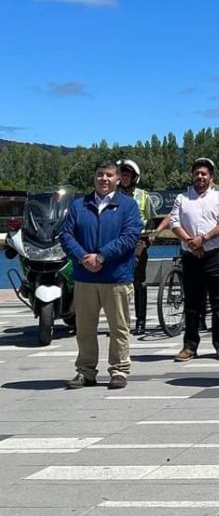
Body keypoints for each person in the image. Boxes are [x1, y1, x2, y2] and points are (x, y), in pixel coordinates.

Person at [61, 161, 143, 389]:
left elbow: (130, 237)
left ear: (118, 179)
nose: (103, 179)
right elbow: (66, 235)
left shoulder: (128, 206)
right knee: (85, 328)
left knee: (119, 328)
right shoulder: (79, 205)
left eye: (109, 175)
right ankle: (86, 371)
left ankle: (119, 371)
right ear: (94, 178)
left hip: (116, 277)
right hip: (85, 277)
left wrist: (102, 256)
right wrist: (82, 257)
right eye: (99, 175)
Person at [170, 157, 219, 362]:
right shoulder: (182, 198)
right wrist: (190, 242)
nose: (200, 177)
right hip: (190, 255)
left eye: (204, 174)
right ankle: (189, 346)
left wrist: (203, 239)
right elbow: (174, 222)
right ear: (192, 176)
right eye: (197, 173)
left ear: (211, 177)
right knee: (192, 303)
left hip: (215, 255)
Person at [116, 159, 156, 336]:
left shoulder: (143, 196)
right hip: (116, 243)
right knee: (117, 283)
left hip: (138, 241)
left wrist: (150, 237)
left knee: (138, 282)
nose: (125, 177)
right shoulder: (111, 195)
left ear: (134, 177)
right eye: (122, 174)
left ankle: (141, 322)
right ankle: (119, 323)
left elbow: (152, 219)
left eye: (127, 175)